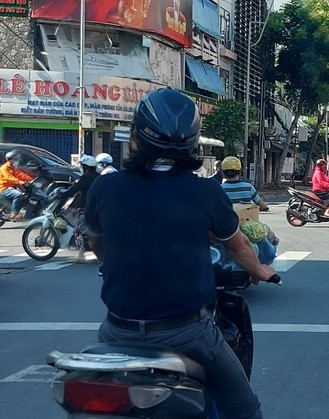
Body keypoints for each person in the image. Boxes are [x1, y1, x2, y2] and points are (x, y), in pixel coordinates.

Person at [83, 88, 275, 419]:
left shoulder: (106, 186)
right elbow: (238, 245)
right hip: (186, 334)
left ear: (136, 136)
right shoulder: (205, 191)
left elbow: (97, 241)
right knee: (245, 408)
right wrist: (261, 272)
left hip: (117, 330)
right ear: (193, 141)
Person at [58, 155, 100, 262]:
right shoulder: (99, 176)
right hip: (98, 207)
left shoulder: (86, 178)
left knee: (77, 231)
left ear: (86, 167)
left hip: (87, 207)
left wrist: (63, 195)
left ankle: (81, 255)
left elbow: (75, 189)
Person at [0, 150, 36, 221]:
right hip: (3, 188)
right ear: (11, 160)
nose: (17, 160)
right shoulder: (4, 168)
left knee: (25, 194)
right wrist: (21, 182)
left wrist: (31, 179)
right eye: (15, 158)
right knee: (18, 195)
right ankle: (14, 213)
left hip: (12, 187)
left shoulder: (13, 167)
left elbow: (20, 174)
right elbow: (9, 177)